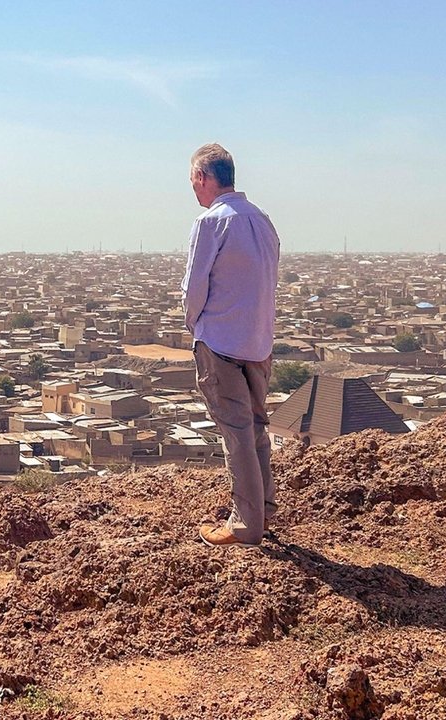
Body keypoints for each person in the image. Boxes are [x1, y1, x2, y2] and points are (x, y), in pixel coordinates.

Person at [180, 143, 281, 547]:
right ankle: (264, 509)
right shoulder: (263, 220)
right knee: (256, 430)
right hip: (258, 343)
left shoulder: (211, 222)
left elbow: (194, 288)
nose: (193, 189)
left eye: (193, 181)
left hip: (221, 342)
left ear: (204, 177)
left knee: (236, 434)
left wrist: (197, 327)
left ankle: (245, 525)